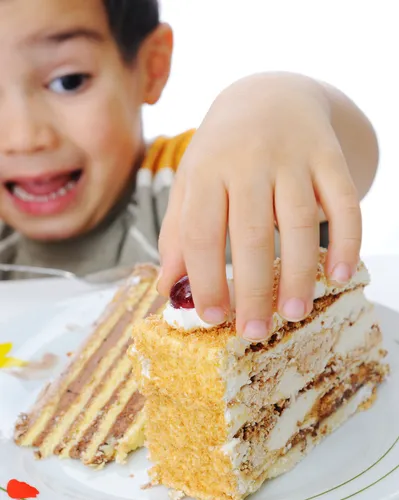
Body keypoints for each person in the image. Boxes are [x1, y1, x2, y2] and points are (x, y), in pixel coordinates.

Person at [0, 0, 378, 342]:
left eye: (69, 82)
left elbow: (349, 161)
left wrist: (273, 103)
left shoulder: (203, 183)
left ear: (151, 66)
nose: (23, 138)